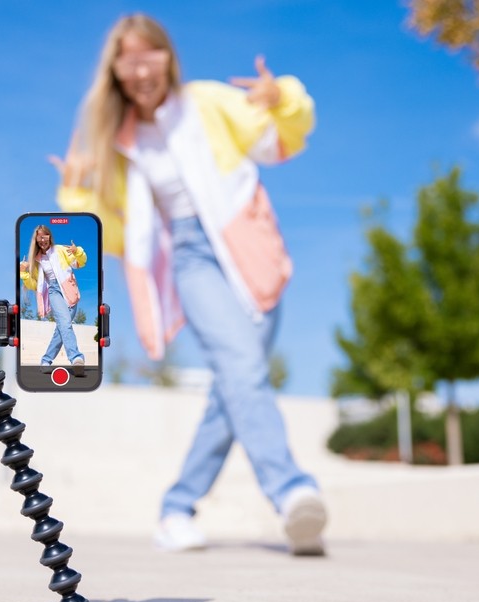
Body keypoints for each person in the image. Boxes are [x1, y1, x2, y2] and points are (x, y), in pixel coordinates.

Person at [50, 13, 327, 555]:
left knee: (234, 387)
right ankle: (293, 492)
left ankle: (176, 508)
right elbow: (114, 232)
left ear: (167, 58)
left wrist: (283, 98)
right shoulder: (118, 141)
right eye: (128, 59)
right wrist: (78, 196)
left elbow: (277, 142)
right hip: (191, 257)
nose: (141, 68)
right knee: (243, 369)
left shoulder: (207, 102)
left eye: (149, 54)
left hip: (251, 249)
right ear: (115, 71)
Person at [20, 224, 88, 367]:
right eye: (39, 239)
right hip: (54, 291)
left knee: (62, 327)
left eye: (44, 237)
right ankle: (76, 358)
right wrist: (24, 273)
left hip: (69, 290)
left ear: (49, 236)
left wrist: (78, 252)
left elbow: (79, 264)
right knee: (65, 323)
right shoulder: (37, 260)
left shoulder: (61, 250)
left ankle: (45, 361)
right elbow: (34, 285)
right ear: (36, 241)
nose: (42, 241)